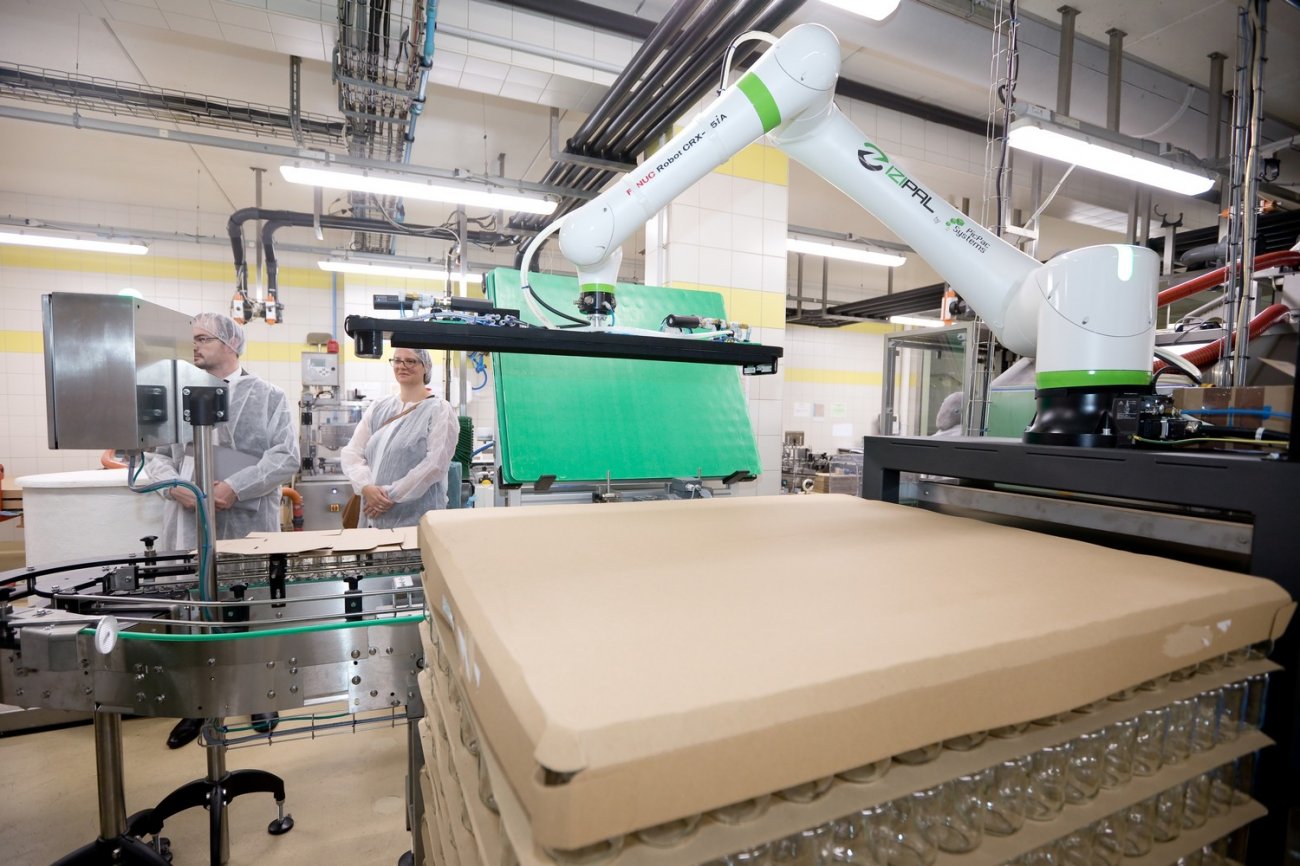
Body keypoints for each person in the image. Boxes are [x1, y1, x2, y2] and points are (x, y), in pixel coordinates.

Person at [145, 312, 299, 748]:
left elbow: (285, 456)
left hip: (247, 523)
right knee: (195, 611)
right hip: (188, 522)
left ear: (230, 343)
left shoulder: (268, 397)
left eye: (203, 338)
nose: (194, 346)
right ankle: (199, 704)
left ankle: (257, 696)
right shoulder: (176, 395)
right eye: (192, 339)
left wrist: (235, 486)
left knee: (246, 609)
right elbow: (156, 455)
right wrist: (174, 487)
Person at [341, 347, 461, 527]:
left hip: (415, 521)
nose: (402, 366)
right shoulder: (379, 407)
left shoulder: (439, 410)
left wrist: (389, 495)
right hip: (371, 520)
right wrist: (366, 487)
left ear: (426, 367)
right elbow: (353, 452)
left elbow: (435, 464)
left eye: (410, 361)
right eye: (397, 360)